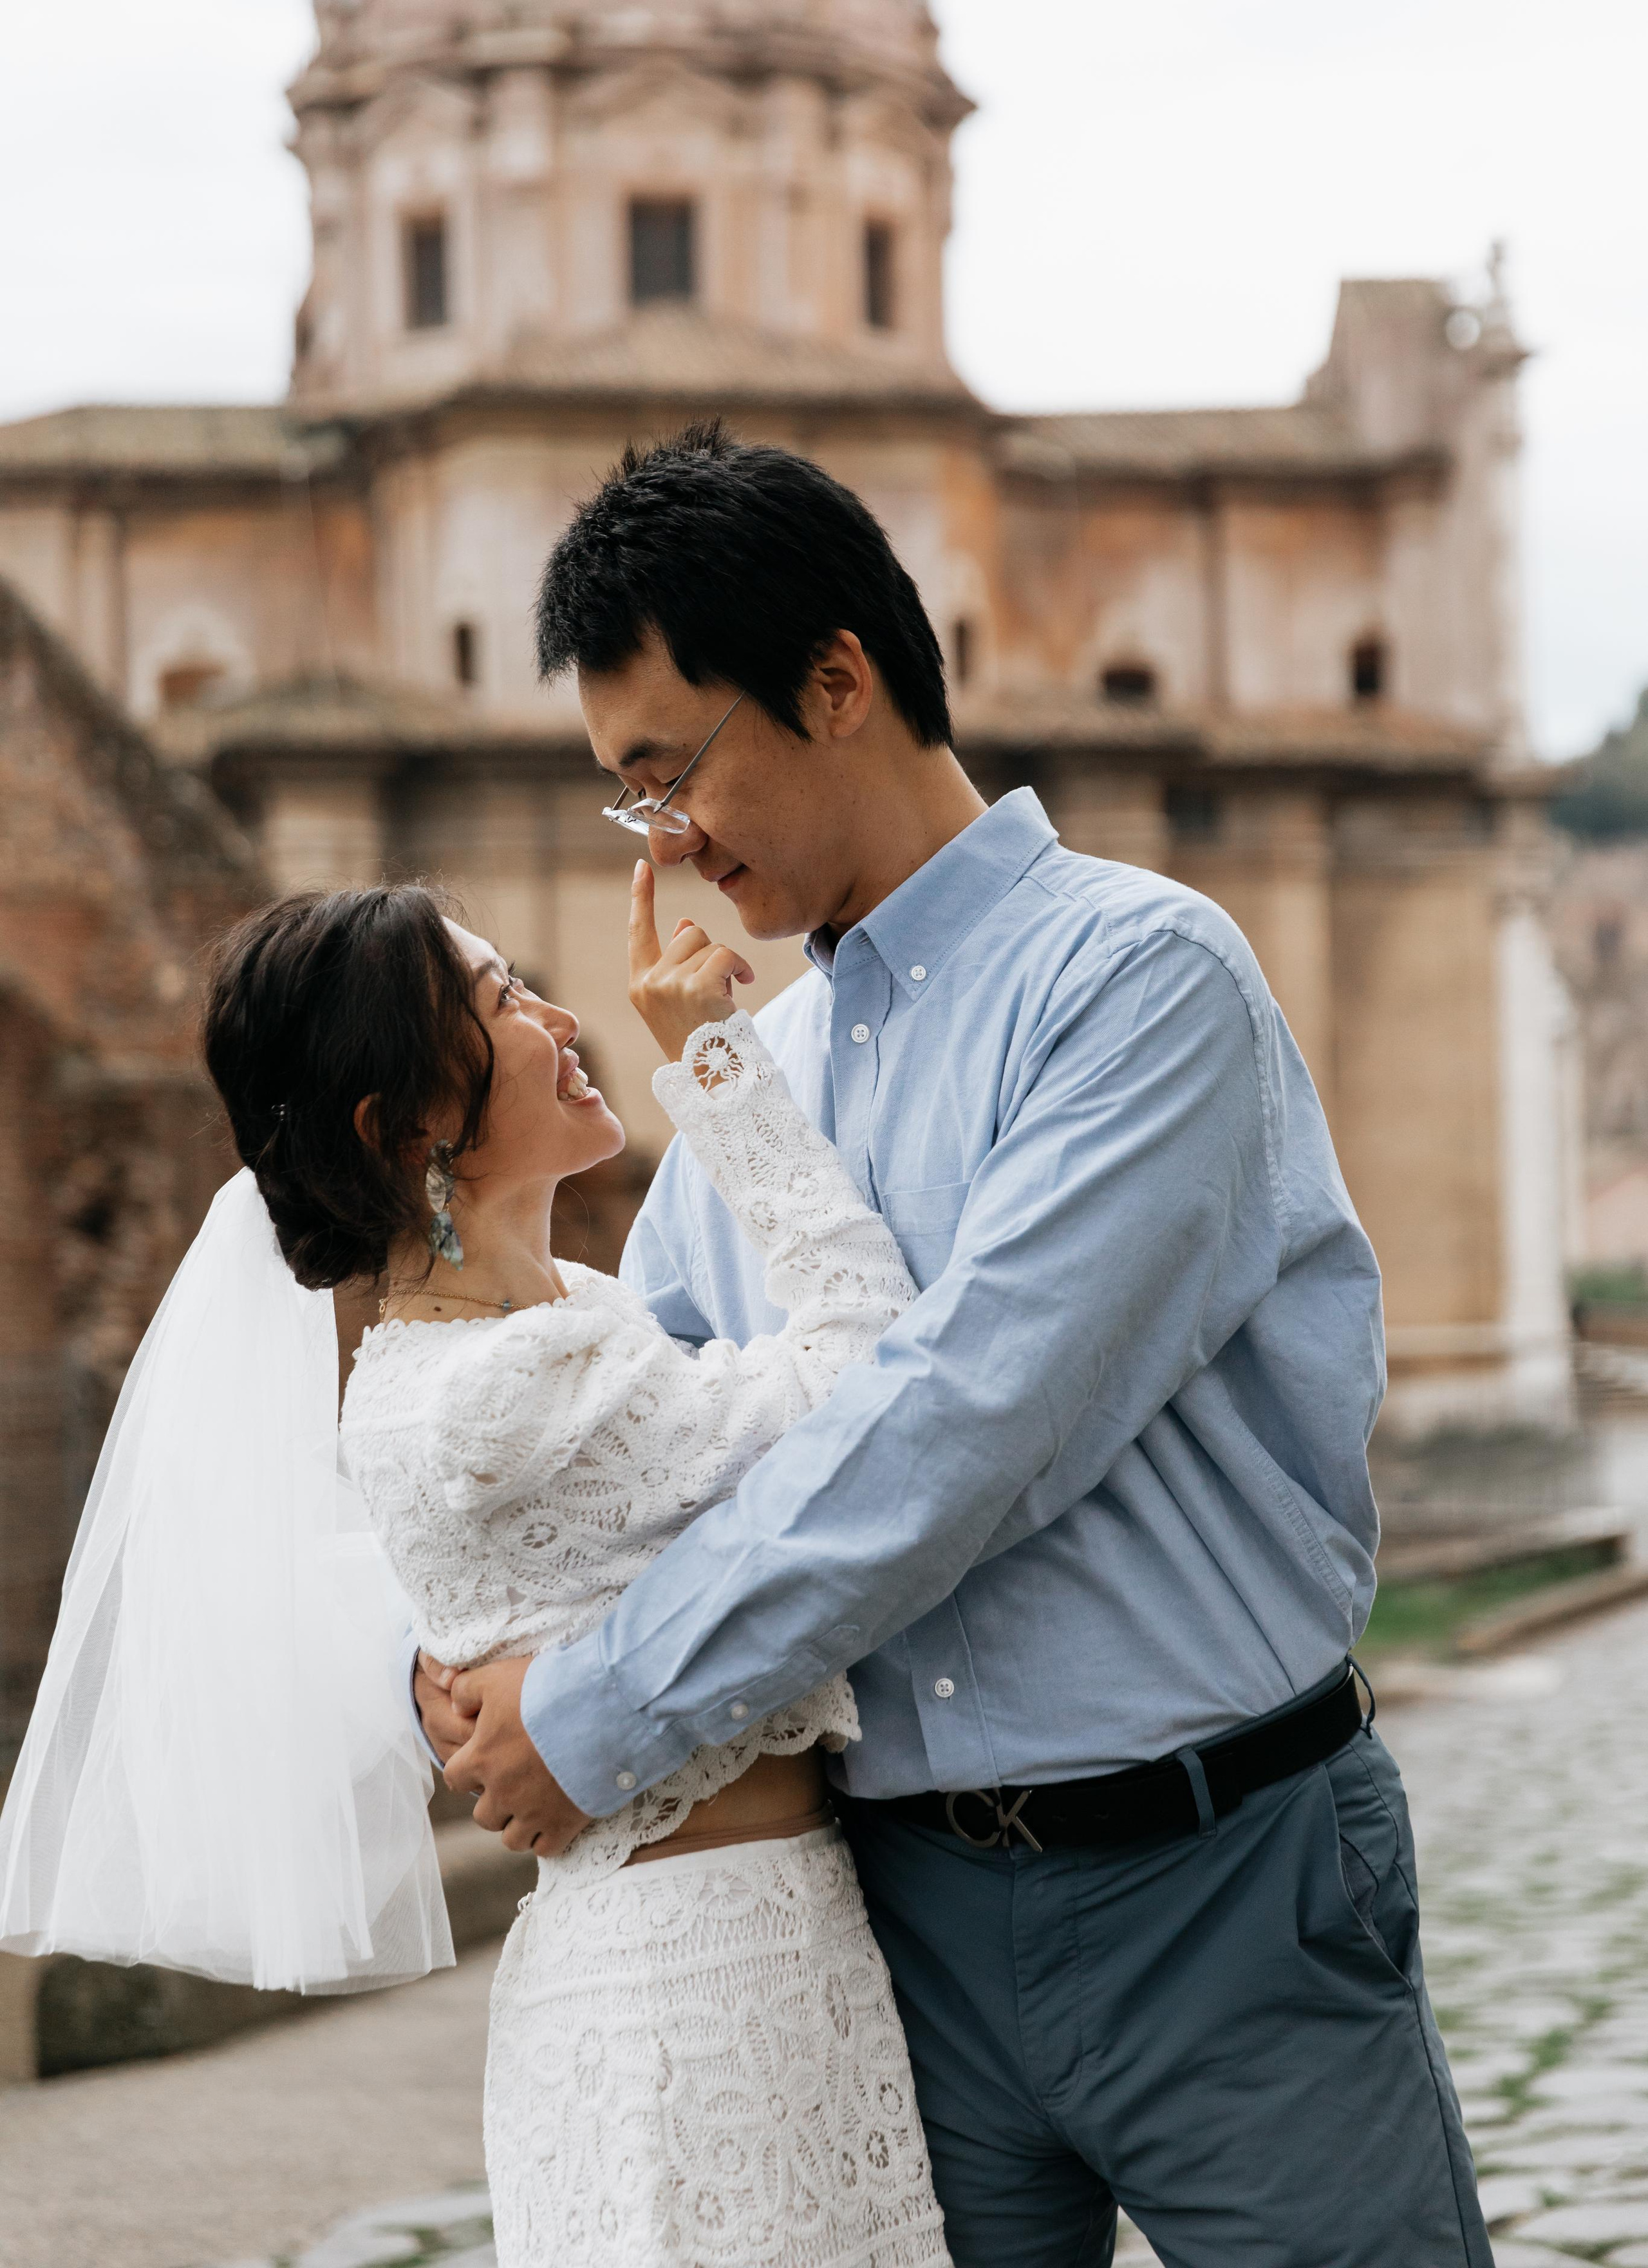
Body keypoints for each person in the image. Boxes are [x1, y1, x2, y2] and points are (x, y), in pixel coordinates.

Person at [420, 422, 1494, 2268]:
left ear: (838, 679)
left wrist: (594, 1710)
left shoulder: (1139, 983)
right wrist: (461, 1635)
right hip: (888, 1921)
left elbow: (962, 1426)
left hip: (1217, 1880)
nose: (663, 842)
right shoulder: (767, 1074)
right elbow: (641, 1414)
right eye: (625, 796)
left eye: (672, 771)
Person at [200, 879, 951, 2267]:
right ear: (409, 1126)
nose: (556, 1015)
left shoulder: (522, 1337)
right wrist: (721, 1068)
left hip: (718, 1953)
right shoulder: (517, 1381)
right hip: (705, 1985)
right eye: (500, 1001)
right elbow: (870, 1377)